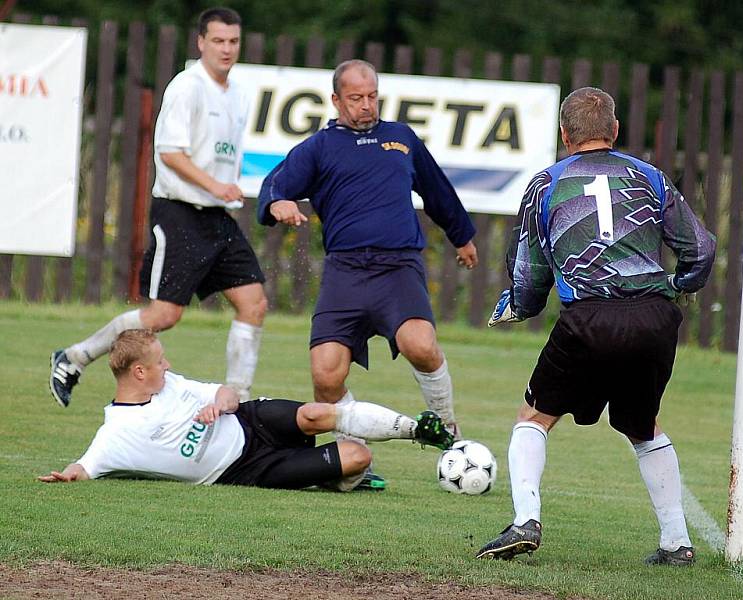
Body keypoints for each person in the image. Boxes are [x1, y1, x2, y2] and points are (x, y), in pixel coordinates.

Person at [475, 87, 716, 566]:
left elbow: (530, 269)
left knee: (535, 417)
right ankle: (676, 543)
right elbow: (702, 249)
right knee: (644, 426)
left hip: (589, 318)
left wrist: (520, 306)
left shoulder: (547, 184)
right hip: (653, 318)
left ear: (565, 135)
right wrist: (675, 285)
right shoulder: (650, 176)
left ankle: (526, 520)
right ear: (616, 131)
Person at [256, 59, 478, 486]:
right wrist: (276, 204)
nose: (366, 105)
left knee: (421, 344)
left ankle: (450, 432)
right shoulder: (319, 147)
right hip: (345, 272)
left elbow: (437, 191)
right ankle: (354, 465)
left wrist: (462, 237)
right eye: (356, 98)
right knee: (326, 374)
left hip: (398, 267)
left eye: (372, 95)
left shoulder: (400, 138)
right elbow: (275, 184)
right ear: (336, 100)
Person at [49, 7, 267, 408]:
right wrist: (217, 186)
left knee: (253, 303)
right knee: (163, 316)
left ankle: (239, 400)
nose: (226, 49)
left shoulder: (237, 93)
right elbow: (170, 154)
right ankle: (75, 356)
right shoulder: (187, 86)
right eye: (217, 40)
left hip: (216, 217)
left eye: (233, 41)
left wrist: (225, 191)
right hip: (180, 213)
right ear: (201, 42)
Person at [38, 329, 455, 490]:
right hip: (244, 471)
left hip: (250, 419)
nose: (168, 365)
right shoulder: (116, 434)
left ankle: (417, 429)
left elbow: (227, 392)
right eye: (161, 361)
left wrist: (220, 404)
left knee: (314, 414)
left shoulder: (173, 383)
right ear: (141, 370)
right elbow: (84, 466)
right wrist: (66, 475)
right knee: (358, 457)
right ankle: (336, 479)